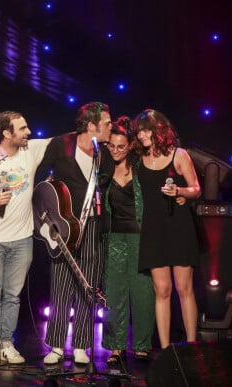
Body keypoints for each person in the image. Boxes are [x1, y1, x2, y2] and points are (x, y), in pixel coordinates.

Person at [0, 111, 51, 366]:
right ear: (7, 133)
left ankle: (8, 343)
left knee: (13, 295)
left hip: (22, 238)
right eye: (23, 128)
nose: (29, 132)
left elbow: (62, 142)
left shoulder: (31, 151)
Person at [38, 101, 115, 365]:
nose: (110, 127)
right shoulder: (62, 144)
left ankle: (82, 344)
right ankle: (57, 345)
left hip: (93, 225)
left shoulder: (103, 153)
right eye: (106, 123)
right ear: (91, 125)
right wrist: (46, 215)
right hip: (64, 227)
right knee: (60, 285)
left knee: (89, 283)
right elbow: (41, 178)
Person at [131, 108, 201, 349]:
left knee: (184, 288)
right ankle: (164, 349)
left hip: (179, 227)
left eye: (146, 130)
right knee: (162, 290)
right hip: (153, 230)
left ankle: (191, 347)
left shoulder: (179, 155)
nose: (141, 136)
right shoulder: (138, 158)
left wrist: (180, 192)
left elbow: (196, 189)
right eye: (139, 132)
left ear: (159, 130)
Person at [101, 115, 155, 366]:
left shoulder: (142, 166)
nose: (115, 150)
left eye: (120, 146)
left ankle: (142, 344)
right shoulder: (103, 167)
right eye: (111, 146)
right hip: (113, 237)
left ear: (130, 146)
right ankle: (115, 346)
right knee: (114, 292)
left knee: (143, 290)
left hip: (140, 236)